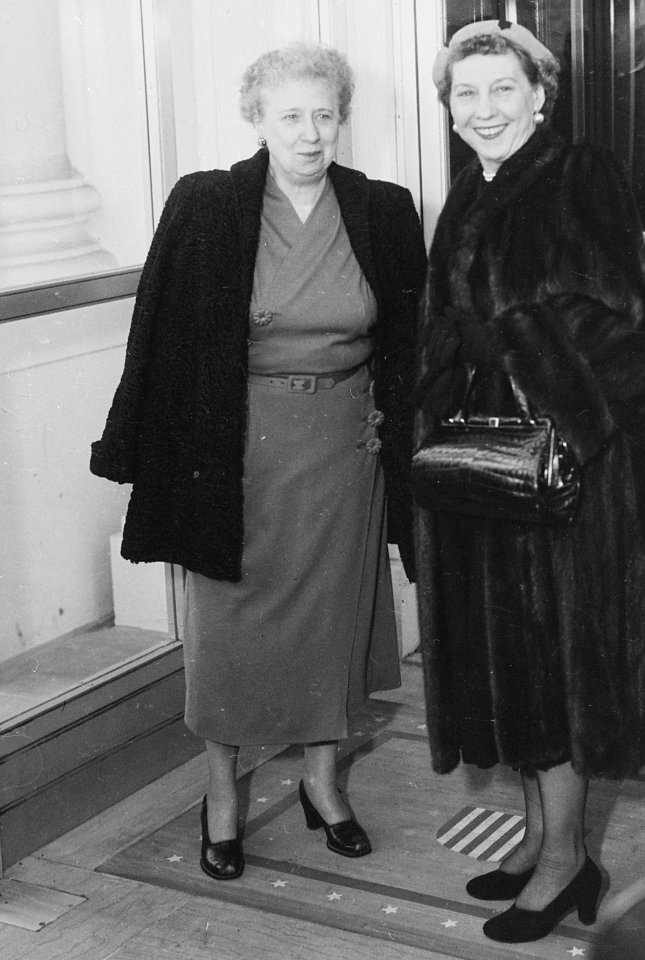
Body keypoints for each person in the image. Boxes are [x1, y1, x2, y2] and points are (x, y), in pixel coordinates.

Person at [91, 43, 426, 879]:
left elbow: (414, 342)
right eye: (291, 116)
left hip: (348, 450)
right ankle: (222, 793)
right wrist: (139, 448)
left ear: (342, 117)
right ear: (257, 120)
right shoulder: (208, 204)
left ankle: (322, 783)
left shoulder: (384, 209)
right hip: (234, 451)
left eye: (324, 114)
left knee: (330, 625)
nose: (310, 133)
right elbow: (157, 337)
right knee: (229, 627)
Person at [414, 20, 645, 943]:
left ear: (541, 95)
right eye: (467, 94)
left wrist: (514, 350)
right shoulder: (469, 189)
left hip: (569, 475)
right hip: (490, 466)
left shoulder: (580, 175)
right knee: (512, 660)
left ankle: (570, 862)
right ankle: (541, 838)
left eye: (503, 91)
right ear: (449, 109)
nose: (484, 110)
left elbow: (625, 326)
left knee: (556, 662)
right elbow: (450, 320)